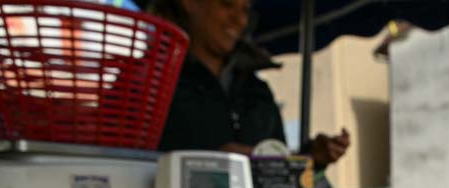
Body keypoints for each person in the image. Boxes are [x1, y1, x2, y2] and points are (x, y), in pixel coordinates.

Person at [148, 0, 350, 168]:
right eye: (226, 4)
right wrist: (212, 162)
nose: (239, 20)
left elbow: (278, 172)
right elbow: (132, 166)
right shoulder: (151, 82)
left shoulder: (258, 92)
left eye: (245, 9)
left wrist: (311, 157)